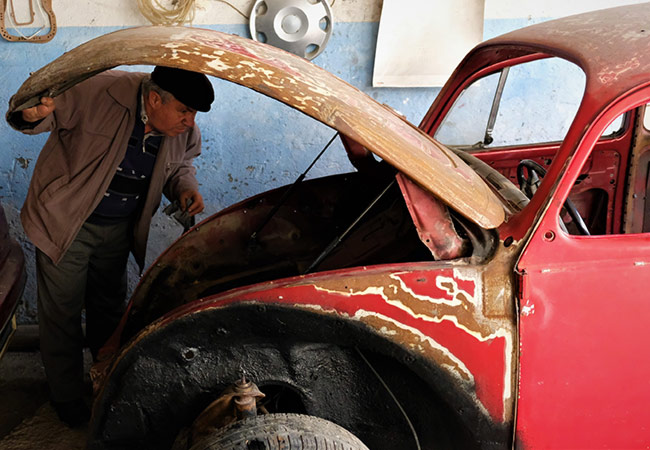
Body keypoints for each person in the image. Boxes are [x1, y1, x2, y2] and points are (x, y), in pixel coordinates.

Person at [8, 66, 214, 427]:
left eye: (193, 114)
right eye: (184, 111)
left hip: (120, 227)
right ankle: (67, 398)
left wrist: (184, 187)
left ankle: (108, 384)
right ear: (154, 99)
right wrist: (31, 112)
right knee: (63, 315)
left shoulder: (182, 129)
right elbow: (33, 114)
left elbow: (180, 164)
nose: (189, 121)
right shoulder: (97, 89)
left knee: (110, 311)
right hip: (66, 221)